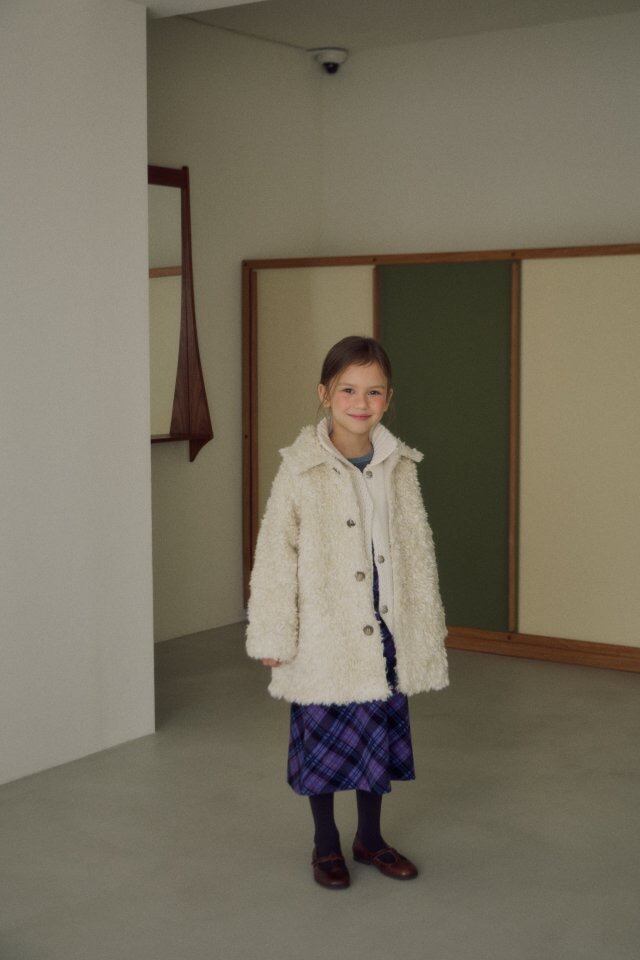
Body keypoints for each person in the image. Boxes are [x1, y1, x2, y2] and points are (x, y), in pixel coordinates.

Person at [245, 335, 449, 890]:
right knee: (325, 740)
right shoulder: (299, 469)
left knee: (373, 736)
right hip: (325, 630)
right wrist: (272, 633)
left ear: (389, 398)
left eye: (374, 392)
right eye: (348, 390)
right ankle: (325, 843)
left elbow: (417, 548)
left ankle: (371, 840)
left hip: (384, 623)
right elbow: (275, 553)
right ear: (325, 394)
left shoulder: (399, 465)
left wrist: (423, 624)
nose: (361, 403)